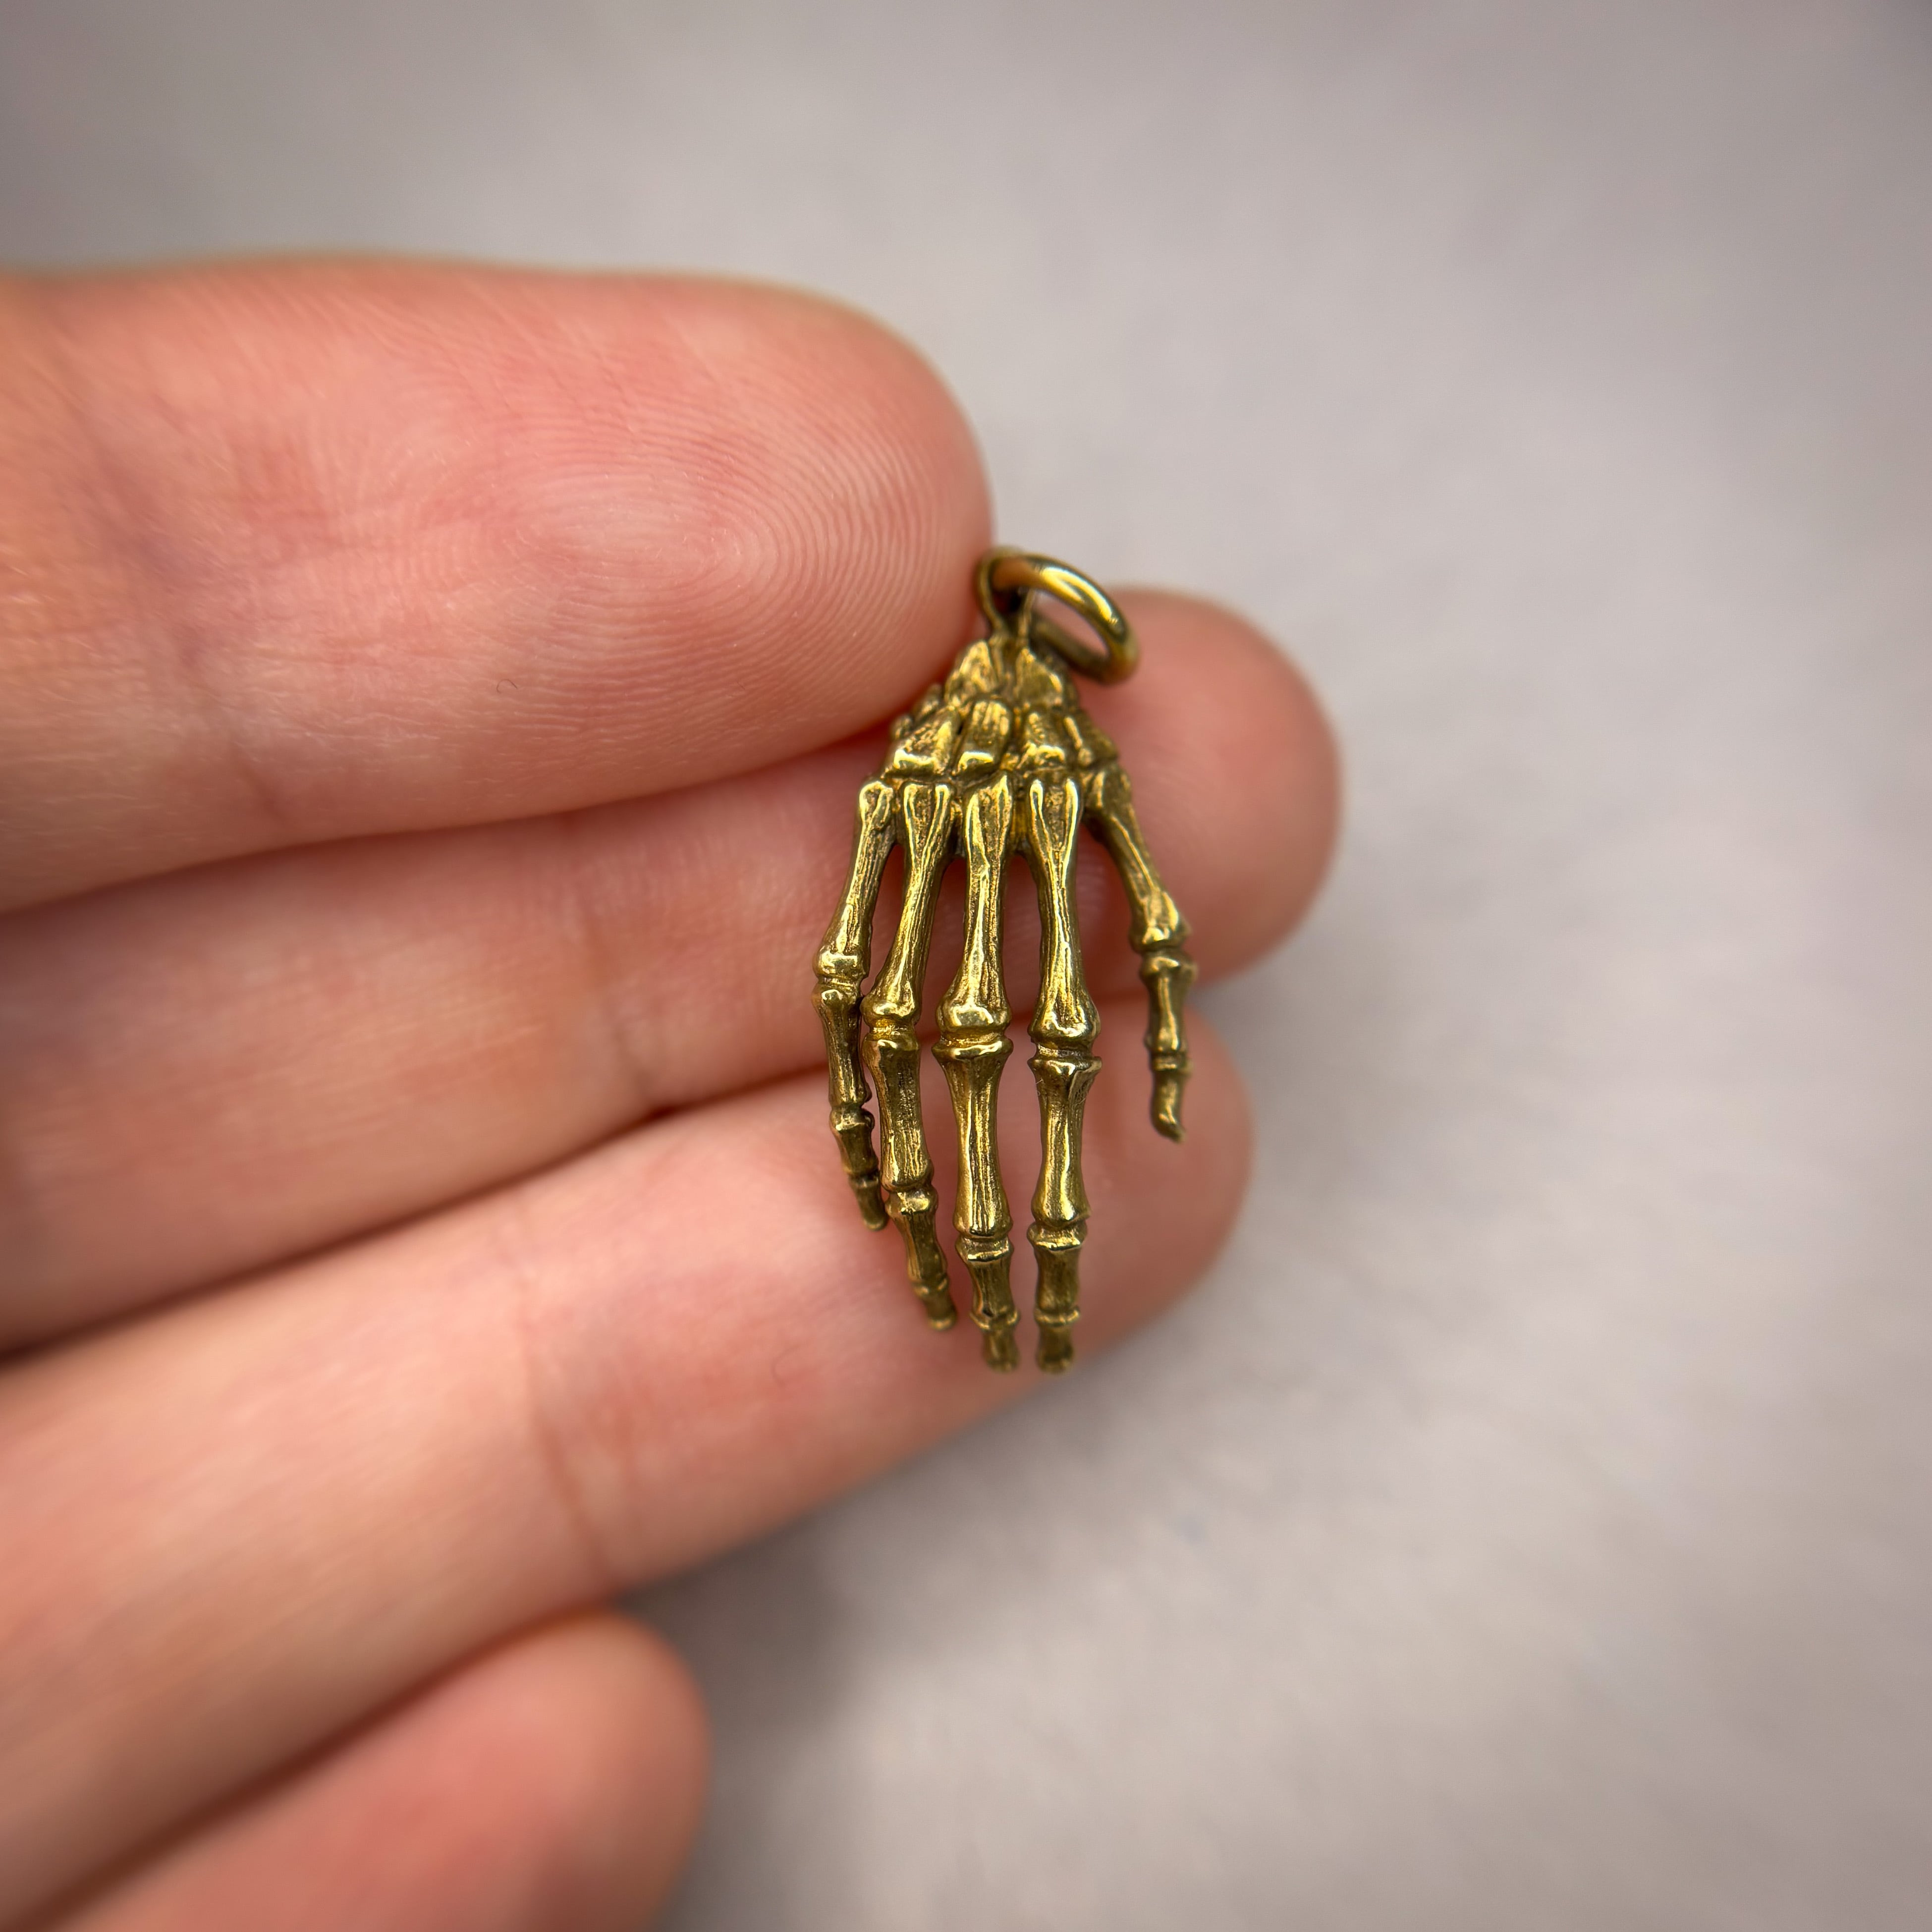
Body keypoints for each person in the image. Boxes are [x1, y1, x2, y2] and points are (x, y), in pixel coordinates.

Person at [0, 261, 1338, 1931]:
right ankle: (971, 1255)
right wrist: (1140, 1042)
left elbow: (1087, 895)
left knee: (973, 1027)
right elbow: (997, 921)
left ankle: (981, 1256)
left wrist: (1145, 1034)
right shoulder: (944, 750)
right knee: (942, 1023)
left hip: (985, 878)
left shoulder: (1011, 753)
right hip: (957, 882)